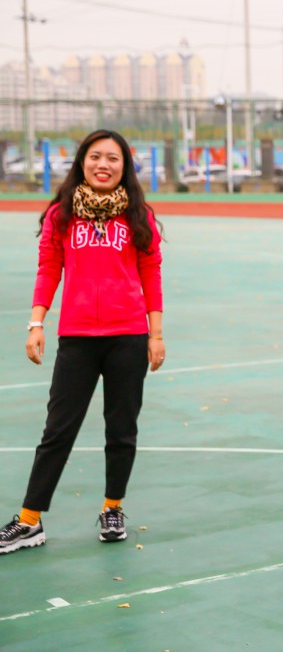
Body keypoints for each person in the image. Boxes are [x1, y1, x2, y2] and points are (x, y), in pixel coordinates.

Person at [0, 129, 165, 555]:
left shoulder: (138, 217)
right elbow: (48, 267)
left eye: (113, 158)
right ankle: (29, 521)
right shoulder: (62, 214)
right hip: (77, 337)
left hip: (128, 337)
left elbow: (151, 273)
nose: (103, 165)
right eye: (95, 156)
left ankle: (113, 509)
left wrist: (156, 334)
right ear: (82, 162)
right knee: (57, 430)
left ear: (125, 167)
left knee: (121, 429)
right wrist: (36, 323)